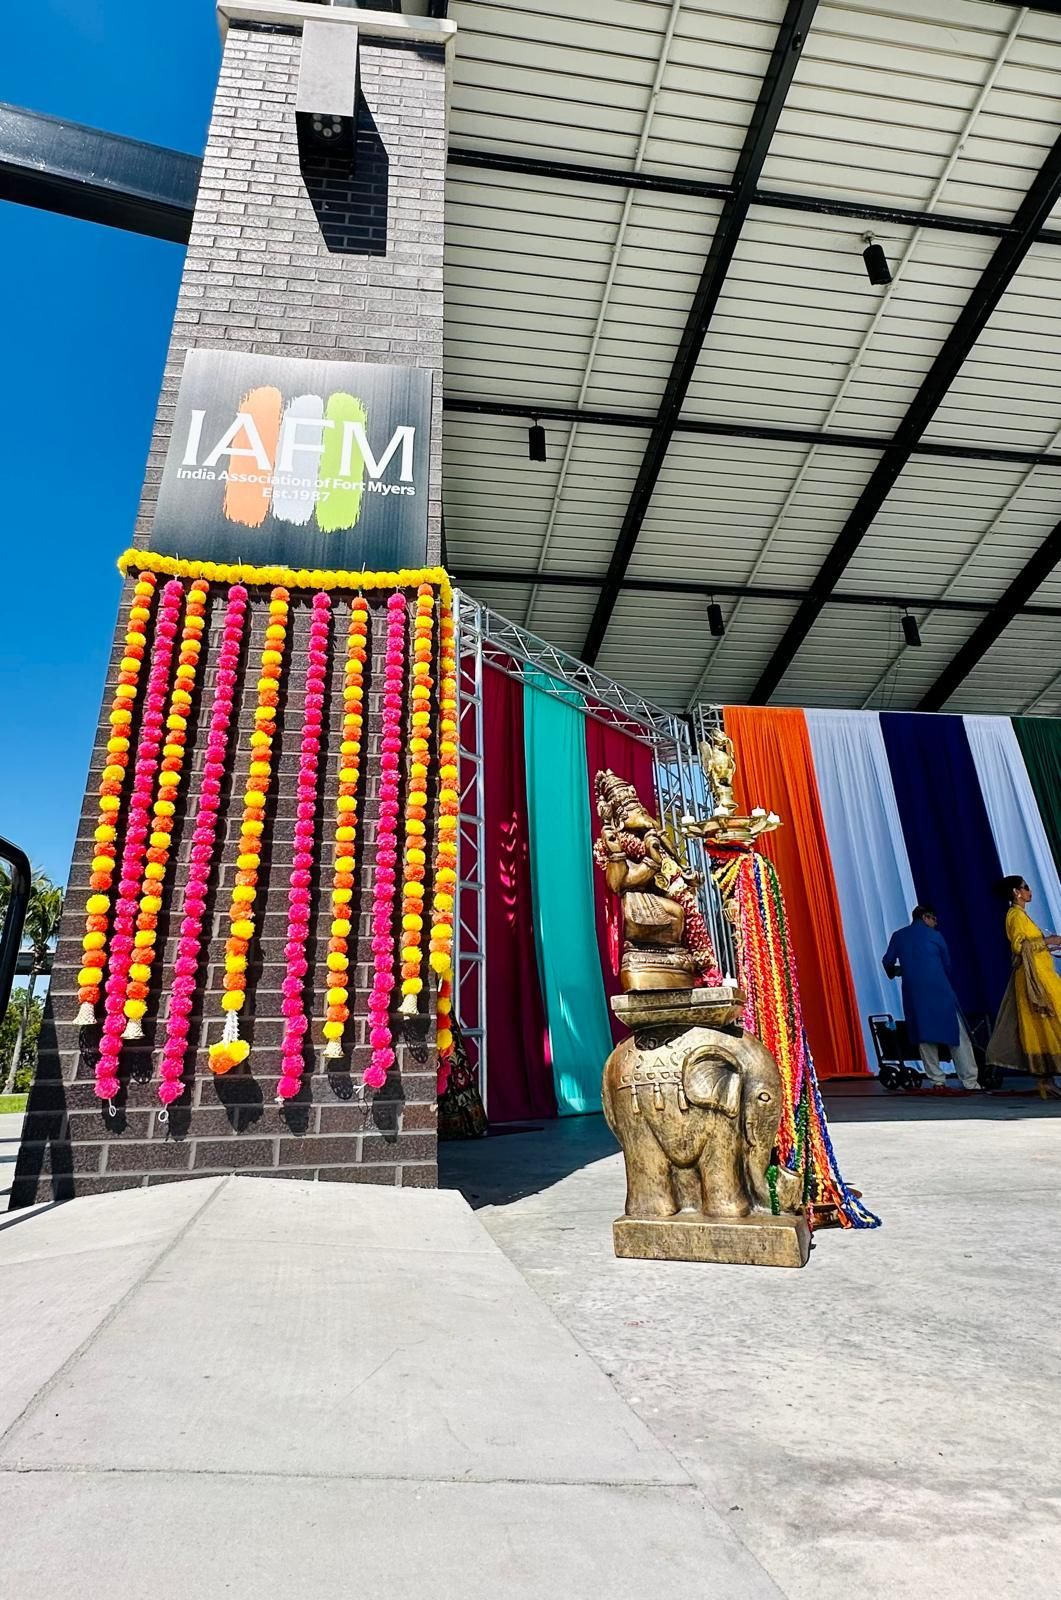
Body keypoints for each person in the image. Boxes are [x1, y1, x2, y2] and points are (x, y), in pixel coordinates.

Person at [882, 906, 979, 1092]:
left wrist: (899, 971)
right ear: (926, 917)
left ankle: (937, 1081)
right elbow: (947, 965)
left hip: (914, 993)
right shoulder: (936, 936)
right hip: (940, 990)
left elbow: (887, 961)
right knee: (957, 1037)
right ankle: (970, 1081)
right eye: (934, 919)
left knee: (924, 1038)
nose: (936, 923)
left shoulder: (898, 935)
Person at [987, 876, 1061, 1100]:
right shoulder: (1015, 915)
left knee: (1046, 1022)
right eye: (1025, 887)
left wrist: (1048, 945)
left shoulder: (1022, 915)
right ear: (1016, 892)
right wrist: (1050, 941)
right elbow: (1020, 947)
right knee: (1044, 1022)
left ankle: (1046, 1081)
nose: (1029, 891)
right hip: (1034, 980)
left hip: (1042, 974)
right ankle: (1044, 1080)